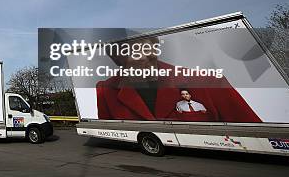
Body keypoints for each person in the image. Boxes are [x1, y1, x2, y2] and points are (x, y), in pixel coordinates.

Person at [96, 36, 262, 123]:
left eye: (150, 49)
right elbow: (110, 129)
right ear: (119, 59)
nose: (147, 56)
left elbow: (252, 130)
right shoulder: (105, 90)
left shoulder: (208, 82)